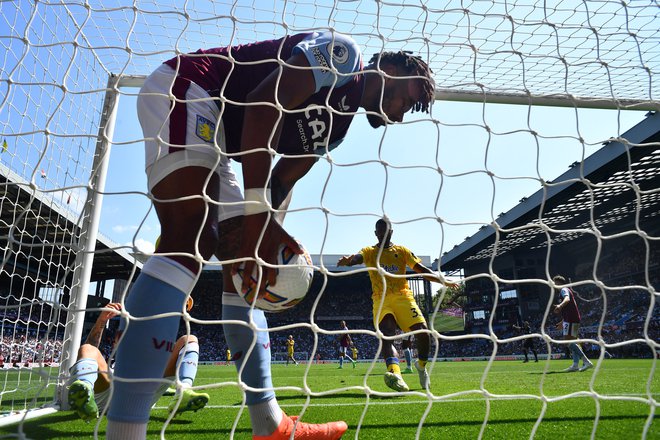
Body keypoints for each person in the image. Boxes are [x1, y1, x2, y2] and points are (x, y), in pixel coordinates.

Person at [108, 29, 433, 440]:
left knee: (243, 273)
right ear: (388, 68)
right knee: (190, 233)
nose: (402, 115)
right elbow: (262, 108)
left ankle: (270, 424)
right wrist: (257, 220)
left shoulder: (337, 128)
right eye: (409, 98)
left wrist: (262, 235)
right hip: (188, 86)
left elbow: (280, 181)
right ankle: (125, 430)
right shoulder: (344, 55)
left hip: (223, 136)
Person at [338, 218, 454, 392]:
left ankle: (421, 365)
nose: (382, 233)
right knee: (387, 333)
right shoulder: (369, 251)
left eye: (385, 230)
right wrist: (349, 260)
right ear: (375, 233)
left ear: (391, 232)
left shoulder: (402, 251)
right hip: (381, 298)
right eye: (379, 231)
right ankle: (395, 374)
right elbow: (358, 257)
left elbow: (421, 270)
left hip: (403, 296)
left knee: (423, 331)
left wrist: (442, 279)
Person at [68, 302, 209, 422]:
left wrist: (176, 301)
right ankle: (85, 393)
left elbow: (159, 327)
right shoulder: (109, 367)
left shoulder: (149, 348)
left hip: (144, 393)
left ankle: (184, 390)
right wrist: (101, 320)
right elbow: (90, 348)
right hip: (109, 397)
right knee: (87, 348)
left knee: (189, 339)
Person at [552, 275, 593, 372]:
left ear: (559, 283)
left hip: (571, 319)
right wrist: (562, 322)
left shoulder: (564, 289)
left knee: (568, 342)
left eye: (555, 283)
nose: (554, 285)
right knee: (573, 342)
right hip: (572, 318)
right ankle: (575, 365)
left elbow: (567, 299)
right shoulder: (565, 290)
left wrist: (560, 306)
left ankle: (586, 361)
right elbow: (569, 308)